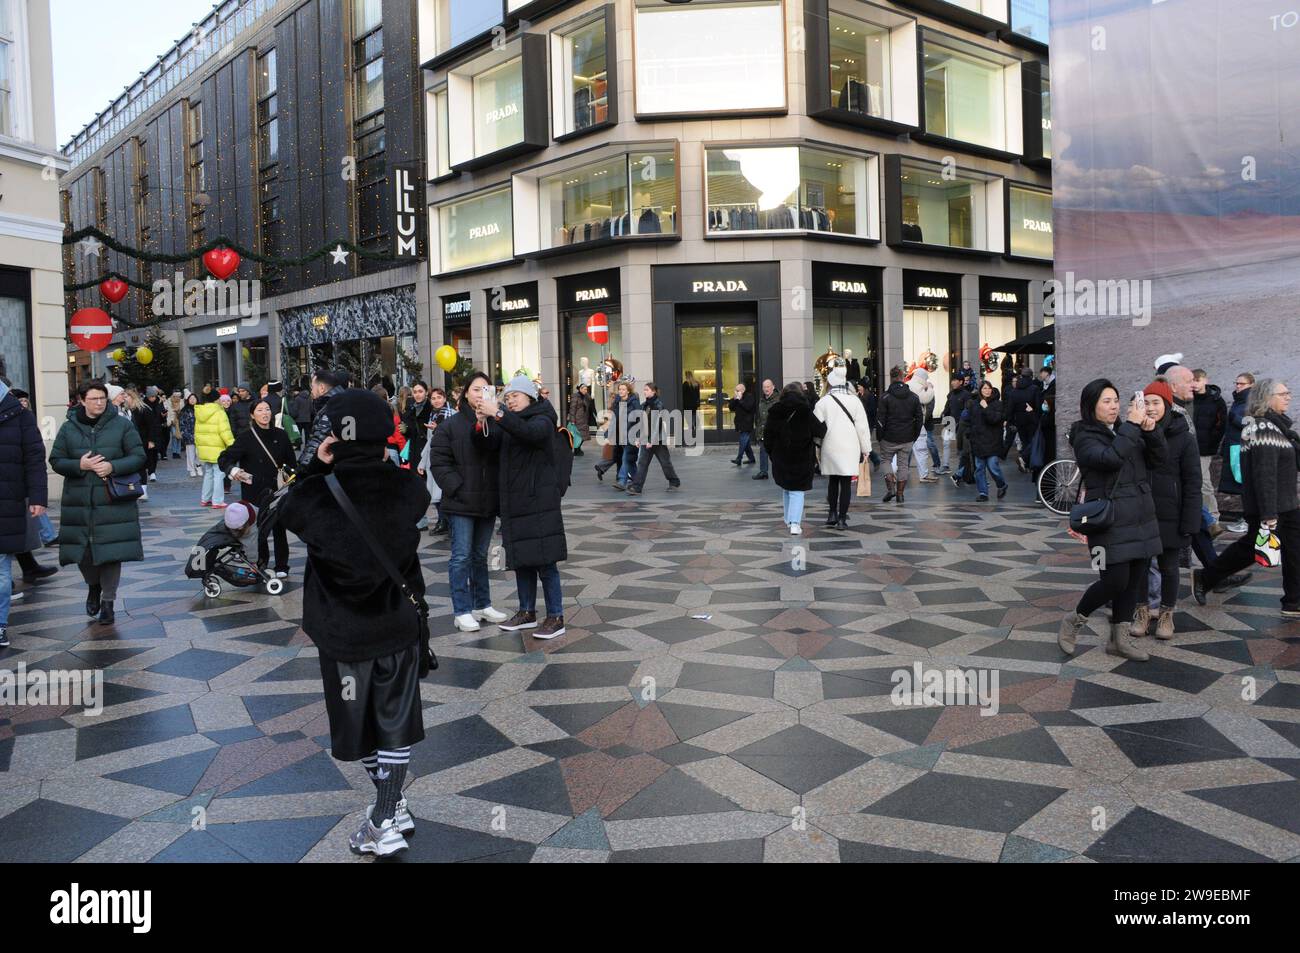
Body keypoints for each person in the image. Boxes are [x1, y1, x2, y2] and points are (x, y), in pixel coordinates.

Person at [276, 388, 430, 857]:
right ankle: (394, 806)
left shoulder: (313, 495)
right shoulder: (410, 489)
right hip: (397, 625)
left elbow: (276, 512)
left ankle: (383, 819)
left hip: (343, 633)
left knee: (360, 724)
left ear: (333, 436)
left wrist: (314, 466)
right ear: (385, 432)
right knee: (395, 722)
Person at [1058, 379, 1165, 661]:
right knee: (1114, 581)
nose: (1114, 406)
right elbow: (1111, 458)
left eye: (1116, 400)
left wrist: (1151, 433)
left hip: (1140, 516)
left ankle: (1120, 640)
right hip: (1106, 521)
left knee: (1134, 581)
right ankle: (1074, 619)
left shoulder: (1126, 430)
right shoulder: (1083, 436)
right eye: (1106, 401)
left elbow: (1160, 460)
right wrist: (1131, 425)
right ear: (1091, 406)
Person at [1193, 378, 1300, 616]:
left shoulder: (1280, 428)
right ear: (1267, 398)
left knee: (1294, 550)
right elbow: (1264, 475)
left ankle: (1294, 601)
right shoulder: (1260, 428)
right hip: (1270, 507)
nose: (1288, 397)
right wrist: (1269, 514)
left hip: (1288, 504)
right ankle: (1207, 576)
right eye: (1283, 393)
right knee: (1250, 549)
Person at [48, 380, 147, 627]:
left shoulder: (122, 425)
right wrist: (79, 465)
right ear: (82, 400)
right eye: (93, 399)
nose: (100, 403)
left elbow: (138, 456)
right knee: (84, 553)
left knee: (111, 553)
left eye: (102, 398)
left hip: (112, 500)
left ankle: (108, 602)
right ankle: (93, 586)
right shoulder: (69, 428)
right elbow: (56, 460)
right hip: (79, 502)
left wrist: (113, 466)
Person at [477, 376, 568, 639]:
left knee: (545, 561)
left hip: (539, 502)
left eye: (515, 396)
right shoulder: (509, 420)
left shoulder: (543, 417)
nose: (510, 400)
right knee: (521, 560)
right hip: (514, 501)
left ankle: (556, 616)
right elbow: (489, 445)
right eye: (507, 397)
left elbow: (531, 434)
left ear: (530, 396)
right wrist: (484, 421)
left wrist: (499, 412)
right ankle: (527, 612)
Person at [427, 372, 509, 632]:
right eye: (476, 389)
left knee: (479, 555)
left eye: (486, 389)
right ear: (465, 393)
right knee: (461, 556)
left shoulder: (495, 424)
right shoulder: (450, 426)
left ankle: (482, 603)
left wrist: (489, 419)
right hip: (461, 502)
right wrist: (457, 488)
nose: (480, 394)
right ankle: (461, 610)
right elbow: (439, 462)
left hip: (486, 501)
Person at [1131, 380, 1200, 641]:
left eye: (1156, 402)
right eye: (1146, 402)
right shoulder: (1135, 432)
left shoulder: (1184, 437)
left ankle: (1166, 615)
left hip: (1171, 512)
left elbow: (1193, 481)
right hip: (1140, 512)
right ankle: (1141, 612)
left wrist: (1190, 521)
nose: (1150, 408)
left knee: (1169, 567)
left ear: (1167, 405)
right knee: (1139, 565)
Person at [219, 399, 296, 577]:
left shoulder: (281, 435)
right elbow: (224, 458)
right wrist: (233, 470)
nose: (265, 413)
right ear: (252, 415)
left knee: (279, 528)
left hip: (278, 489)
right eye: (260, 410)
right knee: (259, 530)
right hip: (255, 492)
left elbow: (292, 463)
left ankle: (282, 566)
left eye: (267, 409)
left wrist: (293, 482)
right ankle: (261, 564)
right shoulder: (246, 437)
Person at [0, 377, 49, 648]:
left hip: (6, 501)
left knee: (1, 571)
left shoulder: (19, 414)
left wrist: (38, 497)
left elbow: (34, 457)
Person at [814, 358, 873, 529]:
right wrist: (866, 449)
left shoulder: (823, 402)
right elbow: (862, 428)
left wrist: (817, 445)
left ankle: (831, 513)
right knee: (846, 483)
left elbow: (816, 426)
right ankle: (841, 519)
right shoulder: (855, 401)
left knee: (833, 480)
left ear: (831, 384)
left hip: (830, 446)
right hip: (850, 446)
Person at [764, 382, 826, 535]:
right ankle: (794, 523)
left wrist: (772, 454)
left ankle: (787, 519)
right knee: (797, 491)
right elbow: (820, 431)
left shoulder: (775, 410)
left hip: (781, 457)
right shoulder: (805, 411)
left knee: (786, 488)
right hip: (801, 458)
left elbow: (767, 436)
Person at [626, 381, 681, 495]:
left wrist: (652, 440)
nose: (644, 392)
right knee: (642, 463)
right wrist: (638, 438)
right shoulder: (644, 405)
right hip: (646, 439)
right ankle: (637, 487)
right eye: (644, 390)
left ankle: (674, 481)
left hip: (657, 440)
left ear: (653, 391)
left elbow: (657, 425)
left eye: (647, 390)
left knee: (665, 463)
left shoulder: (658, 405)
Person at [879, 367, 922, 504]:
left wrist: (880, 436)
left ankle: (890, 488)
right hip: (907, 436)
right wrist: (914, 435)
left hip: (889, 437)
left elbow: (880, 419)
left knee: (886, 460)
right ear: (903, 377)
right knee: (903, 465)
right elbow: (919, 418)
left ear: (891, 377)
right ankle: (900, 494)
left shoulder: (885, 397)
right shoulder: (914, 397)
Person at [416, 387, 455, 535]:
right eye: (433, 398)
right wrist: (423, 463)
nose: (436, 400)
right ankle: (443, 521)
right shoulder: (433, 415)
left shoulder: (450, 414)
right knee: (436, 494)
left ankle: (447, 523)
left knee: (443, 493)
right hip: (435, 459)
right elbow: (430, 442)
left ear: (445, 398)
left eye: (439, 397)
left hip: (447, 460)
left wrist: (438, 429)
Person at [297, 368, 349, 474]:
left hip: (328, 467)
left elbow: (318, 438)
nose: (311, 390)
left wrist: (302, 469)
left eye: (312, 387)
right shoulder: (342, 402)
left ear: (321, 388)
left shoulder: (332, 407)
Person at [967, 381, 1009, 502]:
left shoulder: (998, 404)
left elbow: (994, 419)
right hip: (978, 441)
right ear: (980, 390)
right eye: (984, 388)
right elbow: (971, 420)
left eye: (989, 388)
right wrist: (970, 434)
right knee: (979, 468)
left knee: (993, 466)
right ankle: (983, 493)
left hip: (993, 441)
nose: (987, 390)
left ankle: (1001, 485)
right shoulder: (974, 404)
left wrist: (986, 408)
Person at [195, 390, 235, 509]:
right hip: (218, 448)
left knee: (208, 473)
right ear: (216, 399)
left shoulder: (200, 411)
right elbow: (225, 432)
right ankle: (217, 500)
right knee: (219, 474)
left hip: (204, 448)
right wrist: (232, 445)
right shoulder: (219, 412)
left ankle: (205, 498)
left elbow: (197, 432)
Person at [595, 380, 638, 488]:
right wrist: (609, 435)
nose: (621, 391)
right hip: (619, 435)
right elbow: (614, 420)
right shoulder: (617, 402)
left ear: (628, 391)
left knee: (625, 457)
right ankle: (637, 481)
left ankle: (622, 480)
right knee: (626, 459)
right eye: (620, 389)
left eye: (623, 389)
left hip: (630, 435)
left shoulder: (634, 401)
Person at [1003, 367, 1041, 475]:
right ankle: (1025, 460)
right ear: (1031, 376)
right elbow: (1038, 406)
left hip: (1019, 420)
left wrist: (1009, 420)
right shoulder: (1034, 389)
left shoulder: (1014, 391)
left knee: (1025, 442)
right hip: (1032, 418)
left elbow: (1010, 408)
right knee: (1033, 441)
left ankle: (1026, 463)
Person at [909, 368, 941, 480]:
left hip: (906, 423)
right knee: (921, 449)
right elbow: (925, 399)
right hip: (916, 423)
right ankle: (924, 475)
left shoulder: (908, 384)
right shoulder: (919, 387)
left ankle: (895, 474)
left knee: (903, 449)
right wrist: (931, 389)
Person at [752, 379, 777, 480]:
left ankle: (780, 471)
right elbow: (759, 418)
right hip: (763, 431)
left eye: (768, 387)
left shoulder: (777, 400)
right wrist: (758, 431)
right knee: (763, 452)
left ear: (773, 387)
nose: (766, 389)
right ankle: (763, 472)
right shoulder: (762, 400)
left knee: (776, 453)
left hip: (774, 432)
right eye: (764, 387)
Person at [728, 382, 757, 466]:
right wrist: (734, 399)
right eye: (735, 390)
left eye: (738, 390)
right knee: (746, 442)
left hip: (747, 422)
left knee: (743, 440)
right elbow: (731, 408)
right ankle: (751, 458)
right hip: (739, 422)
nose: (736, 392)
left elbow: (748, 407)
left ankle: (739, 458)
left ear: (743, 390)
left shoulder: (749, 396)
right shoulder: (736, 398)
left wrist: (740, 400)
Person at [567, 384, 592, 457]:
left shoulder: (585, 396)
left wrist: (587, 395)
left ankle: (578, 449)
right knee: (579, 436)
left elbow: (590, 400)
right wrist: (572, 420)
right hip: (577, 419)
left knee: (583, 436)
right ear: (580, 389)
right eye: (584, 389)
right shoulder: (575, 396)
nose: (586, 391)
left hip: (583, 419)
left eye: (586, 389)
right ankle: (576, 450)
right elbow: (572, 408)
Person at [180, 393, 199, 476]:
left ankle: (198, 466)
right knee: (190, 453)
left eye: (194, 398)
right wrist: (186, 434)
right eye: (191, 398)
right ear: (188, 400)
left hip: (200, 435)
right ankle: (191, 469)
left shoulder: (200, 409)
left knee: (199, 453)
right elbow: (182, 424)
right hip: (189, 434)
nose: (192, 400)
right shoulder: (185, 410)